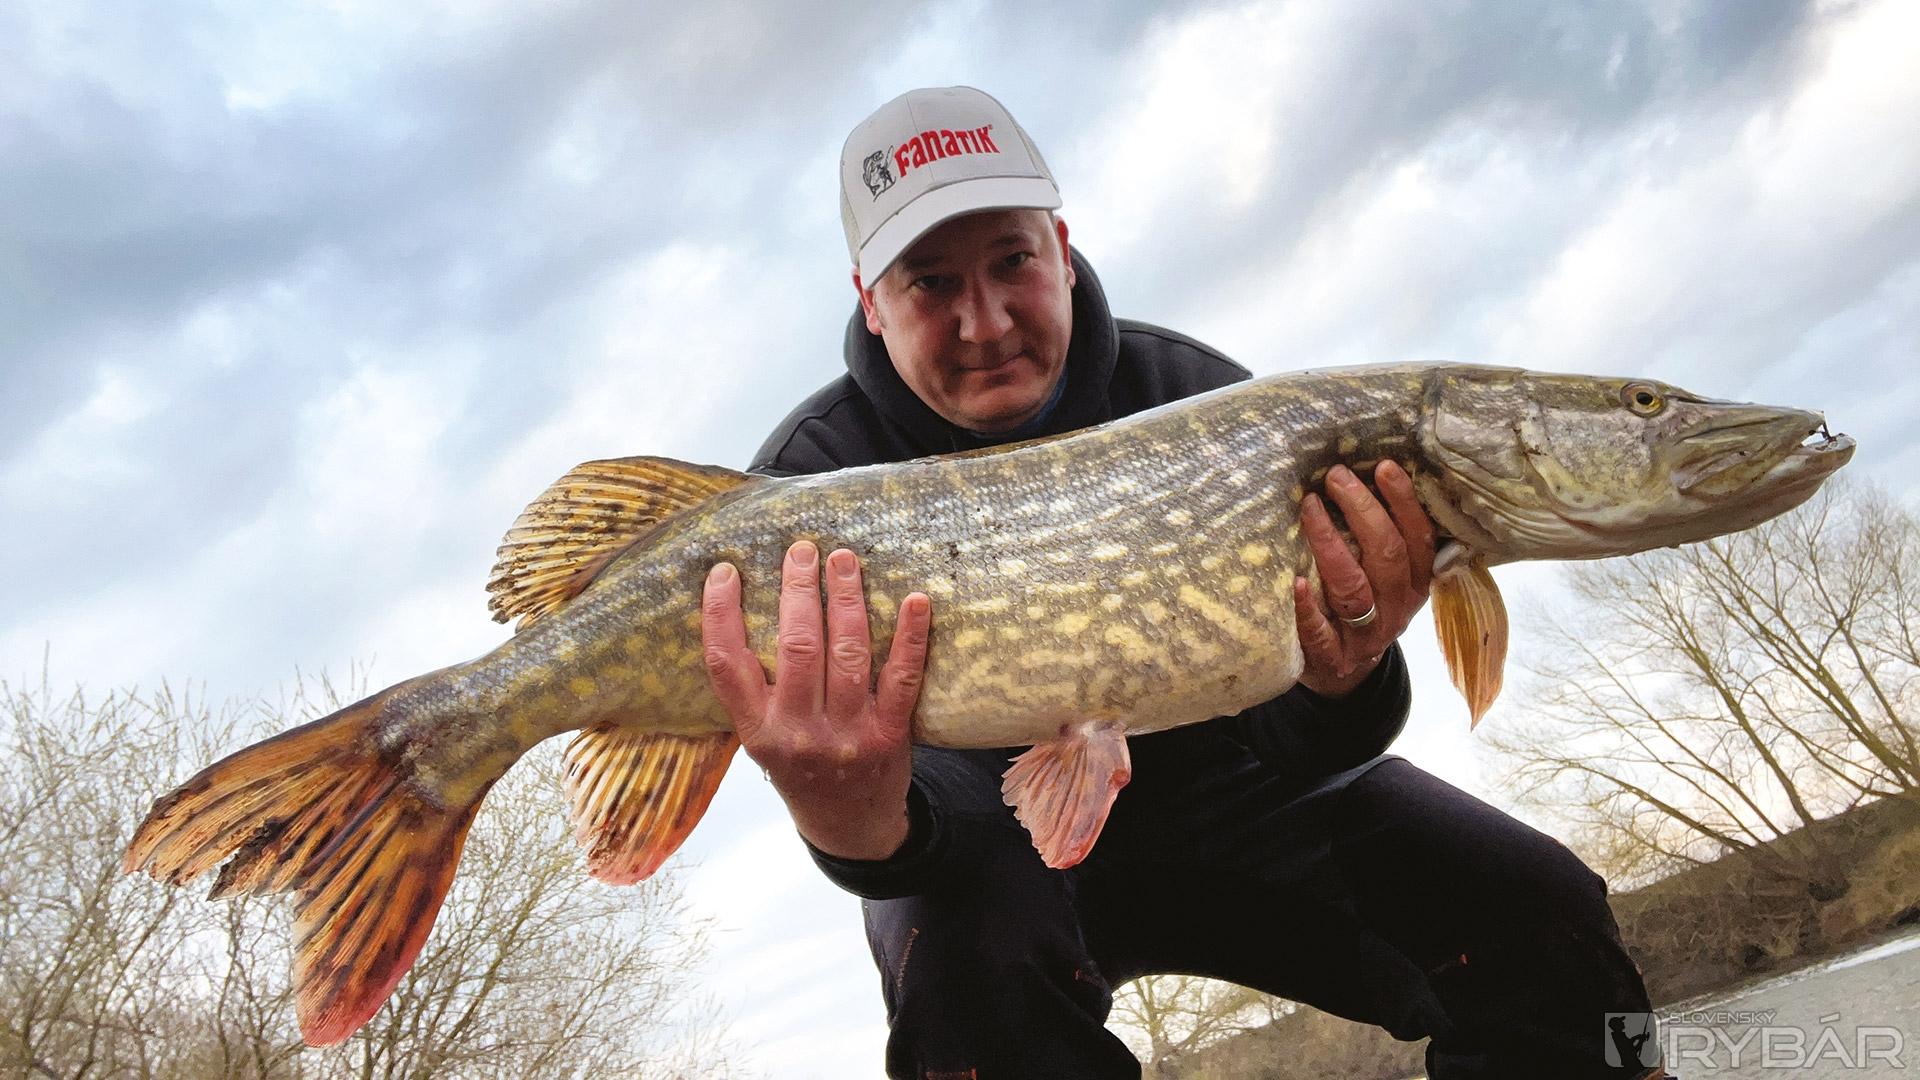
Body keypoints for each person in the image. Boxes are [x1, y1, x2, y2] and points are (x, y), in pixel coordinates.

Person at [700, 86, 1664, 1080]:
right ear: (870, 300)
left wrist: (1347, 673)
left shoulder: (1200, 403)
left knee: (1539, 907)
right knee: (963, 980)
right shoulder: (807, 484)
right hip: (971, 837)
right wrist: (851, 822)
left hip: (1233, 799)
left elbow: (1311, 748)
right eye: (932, 283)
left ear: (1061, 249)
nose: (983, 323)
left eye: (1012, 261)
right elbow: (896, 837)